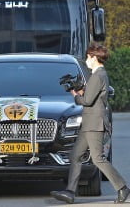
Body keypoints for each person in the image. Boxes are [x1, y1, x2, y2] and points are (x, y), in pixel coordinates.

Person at [51, 43, 129, 204]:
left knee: (98, 158)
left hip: (94, 124)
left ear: (94, 57)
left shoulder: (98, 75)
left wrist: (74, 94)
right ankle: (70, 192)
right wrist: (80, 91)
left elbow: (86, 101)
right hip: (88, 124)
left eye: (88, 56)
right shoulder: (98, 75)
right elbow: (90, 97)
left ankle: (122, 188)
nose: (87, 59)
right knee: (75, 155)